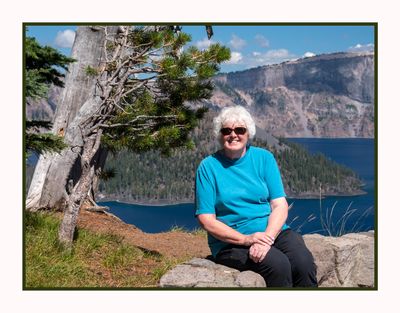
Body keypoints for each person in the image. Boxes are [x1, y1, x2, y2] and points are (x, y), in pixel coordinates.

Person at [195, 105, 317, 287]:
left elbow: (279, 205)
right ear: (220, 134)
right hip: (232, 242)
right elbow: (206, 220)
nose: (233, 135)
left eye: (239, 130)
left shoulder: (264, 158)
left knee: (303, 262)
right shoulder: (208, 167)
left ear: (248, 133)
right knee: (278, 266)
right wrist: (247, 239)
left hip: (273, 232)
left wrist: (266, 238)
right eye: (227, 130)